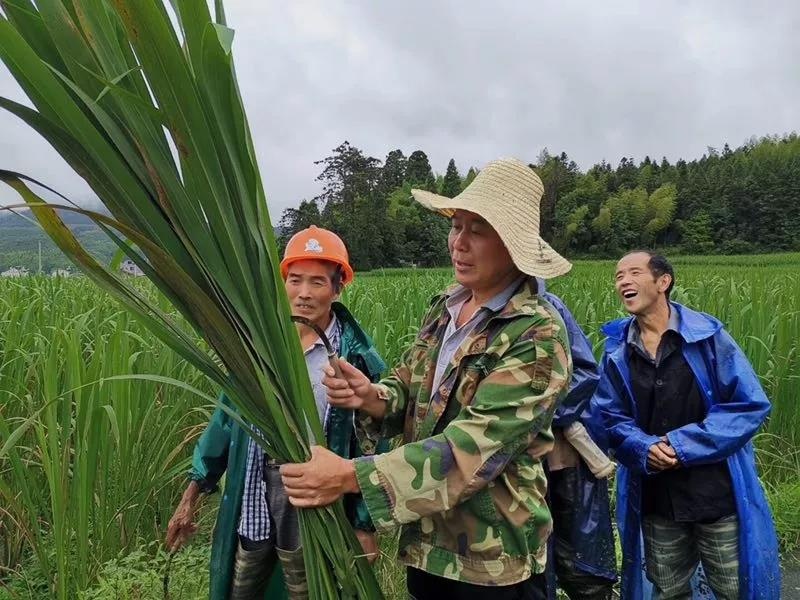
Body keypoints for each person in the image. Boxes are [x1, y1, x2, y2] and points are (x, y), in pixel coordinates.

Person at [280, 157, 574, 600]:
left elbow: (471, 450)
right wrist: (374, 396)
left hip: (488, 561)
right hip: (429, 545)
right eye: (457, 226)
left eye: (478, 230)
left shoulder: (535, 336)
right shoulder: (447, 307)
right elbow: (412, 384)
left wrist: (350, 477)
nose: (459, 243)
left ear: (513, 245)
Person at [165, 226, 386, 600]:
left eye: (317, 282)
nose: (303, 293)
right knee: (245, 581)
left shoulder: (354, 356)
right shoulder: (259, 349)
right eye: (295, 279)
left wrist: (365, 525)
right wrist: (192, 495)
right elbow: (223, 422)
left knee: (310, 584)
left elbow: (368, 442)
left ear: (337, 288)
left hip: (315, 491)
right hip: (253, 485)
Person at [591, 250, 780, 599]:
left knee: (733, 589)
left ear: (663, 282)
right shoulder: (618, 350)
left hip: (716, 496)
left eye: (633, 273)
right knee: (668, 590)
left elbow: (748, 405)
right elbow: (607, 416)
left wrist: (682, 445)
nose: (623, 282)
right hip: (657, 499)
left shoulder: (708, 337)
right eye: (618, 277)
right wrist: (642, 447)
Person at [537, 280, 617, 600]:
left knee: (578, 554)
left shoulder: (548, 306)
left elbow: (585, 371)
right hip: (513, 461)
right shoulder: (471, 311)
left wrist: (540, 418)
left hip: (561, 455)